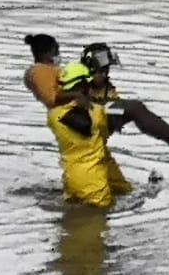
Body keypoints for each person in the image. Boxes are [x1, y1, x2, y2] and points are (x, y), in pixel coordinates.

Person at [80, 42, 169, 154]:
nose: (105, 74)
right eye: (102, 71)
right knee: (134, 108)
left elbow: (112, 101)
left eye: (106, 71)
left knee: (135, 109)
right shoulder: (79, 82)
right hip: (89, 117)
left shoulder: (101, 85)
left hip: (98, 116)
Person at [46, 62, 133, 209]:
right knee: (98, 219)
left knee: (73, 218)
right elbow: (104, 134)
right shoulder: (97, 112)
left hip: (71, 178)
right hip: (94, 182)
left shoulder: (53, 115)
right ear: (83, 87)